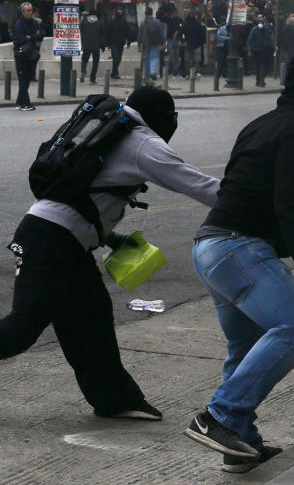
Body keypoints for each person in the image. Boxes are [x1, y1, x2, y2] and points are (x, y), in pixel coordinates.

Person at [2, 88, 220, 421]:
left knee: (92, 320)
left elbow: (81, 198)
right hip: (49, 241)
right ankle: (114, 397)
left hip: (61, 238)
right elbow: (201, 186)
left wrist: (111, 238)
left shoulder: (112, 129)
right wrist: (253, 201)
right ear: (162, 117)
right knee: (22, 328)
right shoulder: (144, 142)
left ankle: (115, 399)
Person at [185, 48, 294, 473]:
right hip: (237, 248)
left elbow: (250, 197)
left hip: (211, 249)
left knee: (244, 348)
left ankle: (240, 444)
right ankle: (219, 417)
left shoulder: (260, 125)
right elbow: (290, 207)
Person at [12, 2, 43, 111]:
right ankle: (25, 103)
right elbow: (20, 39)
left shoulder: (34, 22)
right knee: (23, 79)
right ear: (23, 11)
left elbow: (41, 35)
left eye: (31, 10)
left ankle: (20, 102)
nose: (30, 12)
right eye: (28, 10)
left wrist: (31, 36)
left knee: (28, 78)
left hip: (32, 55)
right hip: (21, 54)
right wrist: (33, 37)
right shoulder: (19, 23)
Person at [246, 15, 275, 87]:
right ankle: (259, 80)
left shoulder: (266, 30)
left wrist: (274, 46)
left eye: (262, 22)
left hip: (264, 50)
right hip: (256, 50)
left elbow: (269, 39)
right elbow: (249, 40)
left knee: (266, 66)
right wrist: (249, 50)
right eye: (260, 22)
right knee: (257, 66)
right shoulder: (254, 30)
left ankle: (262, 78)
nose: (261, 24)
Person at [79, 9, 105, 84]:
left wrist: (83, 42)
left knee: (84, 60)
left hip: (86, 45)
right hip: (96, 46)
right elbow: (102, 36)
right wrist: (103, 46)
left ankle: (83, 71)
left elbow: (81, 31)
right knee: (95, 63)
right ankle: (92, 79)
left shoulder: (84, 22)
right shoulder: (99, 23)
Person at [138, 7, 165, 80]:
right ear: (152, 13)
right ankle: (153, 72)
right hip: (156, 42)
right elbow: (161, 33)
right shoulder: (157, 22)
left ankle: (147, 74)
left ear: (145, 14)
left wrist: (139, 45)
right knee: (155, 57)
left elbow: (140, 34)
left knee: (146, 59)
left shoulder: (143, 23)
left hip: (145, 43)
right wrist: (163, 43)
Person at [106, 8, 128, 79]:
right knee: (116, 58)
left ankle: (114, 72)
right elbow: (108, 33)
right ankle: (115, 73)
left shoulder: (122, 22)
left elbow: (127, 32)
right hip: (115, 43)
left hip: (118, 43)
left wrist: (129, 41)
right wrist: (108, 44)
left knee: (118, 58)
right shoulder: (114, 22)